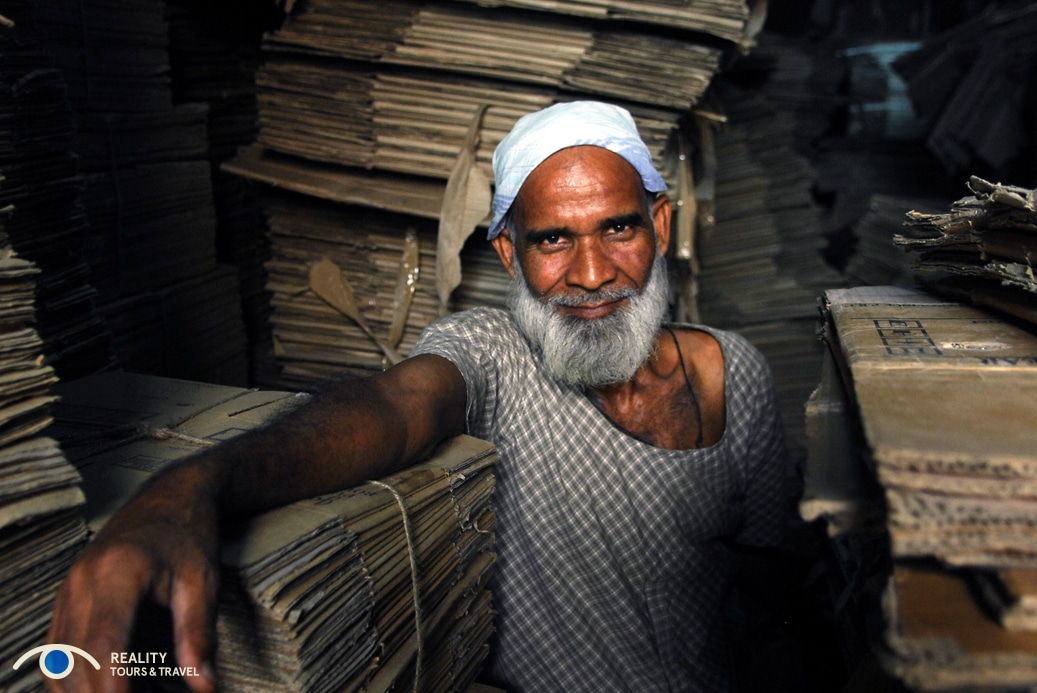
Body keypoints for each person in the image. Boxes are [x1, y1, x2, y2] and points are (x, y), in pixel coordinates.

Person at [47, 101, 795, 693]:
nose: (593, 273)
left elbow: (770, 596)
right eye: (553, 240)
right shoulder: (492, 354)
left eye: (618, 227)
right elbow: (397, 406)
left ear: (659, 224)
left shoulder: (739, 374)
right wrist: (192, 486)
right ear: (509, 252)